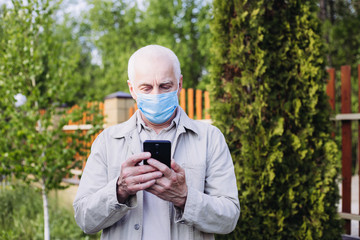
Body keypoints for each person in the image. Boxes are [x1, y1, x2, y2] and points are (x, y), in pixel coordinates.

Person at [73, 45, 240, 240]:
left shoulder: (210, 138)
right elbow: (84, 219)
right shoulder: (107, 141)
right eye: (146, 88)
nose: (156, 95)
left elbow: (229, 217)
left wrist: (184, 197)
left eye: (165, 86)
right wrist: (120, 190)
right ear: (132, 89)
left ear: (179, 84)